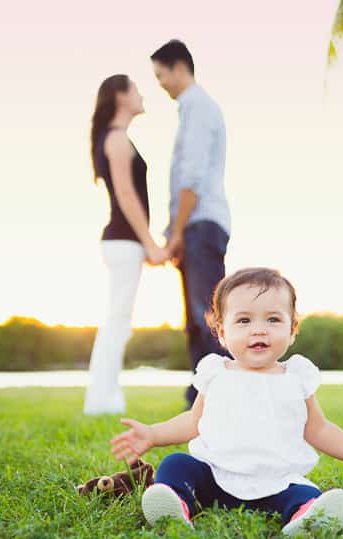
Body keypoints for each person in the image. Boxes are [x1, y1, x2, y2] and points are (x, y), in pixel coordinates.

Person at [109, 268, 343, 536]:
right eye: (244, 320)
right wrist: (152, 434)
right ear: (223, 333)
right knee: (176, 464)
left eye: (273, 319)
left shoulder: (296, 376)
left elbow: (319, 429)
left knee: (304, 492)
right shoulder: (216, 372)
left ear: (292, 331)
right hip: (213, 477)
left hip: (275, 482)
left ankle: (305, 517)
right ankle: (176, 506)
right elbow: (192, 422)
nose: (259, 329)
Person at [150, 40, 232, 408]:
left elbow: (192, 177)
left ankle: (223, 396)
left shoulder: (197, 106)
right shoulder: (192, 108)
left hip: (200, 225)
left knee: (208, 317)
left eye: (160, 75)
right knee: (198, 319)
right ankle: (202, 395)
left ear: (179, 67)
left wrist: (176, 231)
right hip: (197, 225)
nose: (160, 84)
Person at [84, 75, 170, 415]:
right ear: (120, 96)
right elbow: (125, 194)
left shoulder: (117, 138)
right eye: (136, 89)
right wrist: (150, 243)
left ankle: (104, 397)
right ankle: (101, 400)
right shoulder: (117, 139)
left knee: (119, 320)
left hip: (122, 242)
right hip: (123, 241)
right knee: (117, 321)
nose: (142, 95)